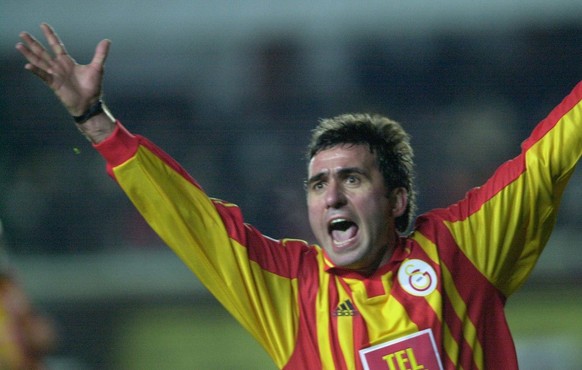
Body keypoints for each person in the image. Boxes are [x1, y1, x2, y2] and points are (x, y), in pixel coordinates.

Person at [15, 23, 581, 370]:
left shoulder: (461, 250)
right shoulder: (291, 291)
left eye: (352, 179)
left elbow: (547, 157)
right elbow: (191, 219)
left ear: (398, 200)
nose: (330, 196)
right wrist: (94, 120)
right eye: (317, 184)